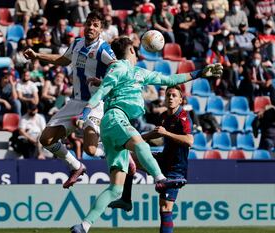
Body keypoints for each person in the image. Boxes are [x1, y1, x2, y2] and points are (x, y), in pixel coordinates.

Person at [70, 37, 223, 233]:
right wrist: (85, 113)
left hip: (113, 128)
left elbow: (169, 80)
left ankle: (84, 225)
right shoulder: (120, 67)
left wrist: (200, 72)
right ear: (132, 51)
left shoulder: (134, 73)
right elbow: (100, 94)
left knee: (115, 188)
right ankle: (160, 178)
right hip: (116, 118)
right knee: (141, 144)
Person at [23, 11, 116, 189]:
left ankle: (116, 150)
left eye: (95, 25)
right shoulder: (76, 43)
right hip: (75, 102)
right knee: (46, 139)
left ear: (100, 29)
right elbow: (63, 60)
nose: (91, 27)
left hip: (95, 104)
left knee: (90, 149)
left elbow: (116, 68)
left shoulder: (104, 49)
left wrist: (102, 81)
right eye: (89, 23)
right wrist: (37, 56)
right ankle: (76, 166)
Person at [108, 86, 194, 233]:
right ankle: (126, 199)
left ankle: (173, 181)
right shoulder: (164, 117)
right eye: (168, 95)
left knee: (165, 208)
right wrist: (138, 139)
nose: (170, 98)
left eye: (174, 95)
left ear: (181, 100)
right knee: (130, 158)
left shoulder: (183, 117)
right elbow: (156, 133)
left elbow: (189, 141)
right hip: (163, 159)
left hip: (176, 167)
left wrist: (166, 133)